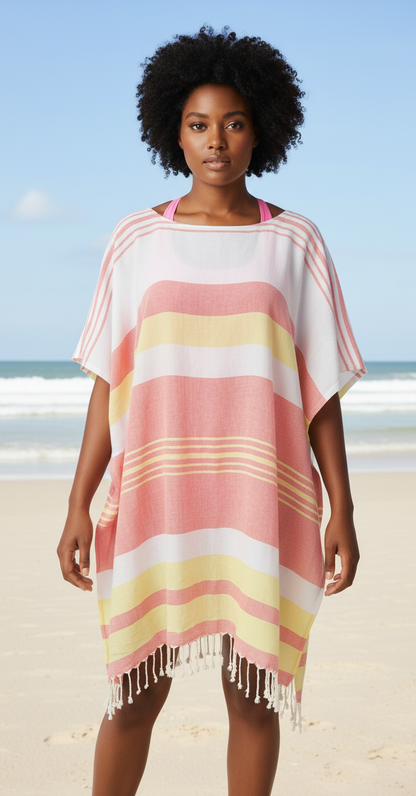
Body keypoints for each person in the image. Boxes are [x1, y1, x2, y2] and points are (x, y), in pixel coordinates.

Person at [57, 26, 365, 796]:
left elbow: (319, 391)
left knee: (252, 699)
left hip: (260, 498)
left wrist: (344, 508)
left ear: (261, 128)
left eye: (233, 123)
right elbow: (110, 382)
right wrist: (76, 504)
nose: (216, 141)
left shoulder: (295, 243)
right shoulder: (136, 239)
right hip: (159, 498)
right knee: (135, 694)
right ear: (175, 133)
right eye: (199, 125)